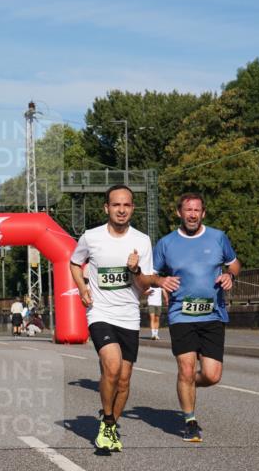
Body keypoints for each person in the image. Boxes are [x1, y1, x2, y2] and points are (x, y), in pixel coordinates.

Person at [139, 192, 240, 443]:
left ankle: (186, 384)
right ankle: (190, 421)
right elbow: (149, 275)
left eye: (196, 210)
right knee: (186, 368)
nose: (192, 215)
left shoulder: (218, 237)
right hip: (181, 314)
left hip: (213, 314)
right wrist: (160, 281)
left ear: (203, 213)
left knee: (212, 375)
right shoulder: (166, 243)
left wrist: (230, 275)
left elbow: (234, 264)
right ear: (179, 213)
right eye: (188, 210)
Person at [71, 185, 154, 452]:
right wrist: (83, 288)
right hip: (100, 313)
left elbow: (145, 285)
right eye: (116, 205)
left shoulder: (142, 241)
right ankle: (107, 420)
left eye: (126, 205)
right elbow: (75, 263)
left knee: (124, 379)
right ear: (106, 208)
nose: (121, 210)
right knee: (112, 366)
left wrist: (136, 270)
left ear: (133, 208)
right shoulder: (91, 237)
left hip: (129, 315)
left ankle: (110, 426)